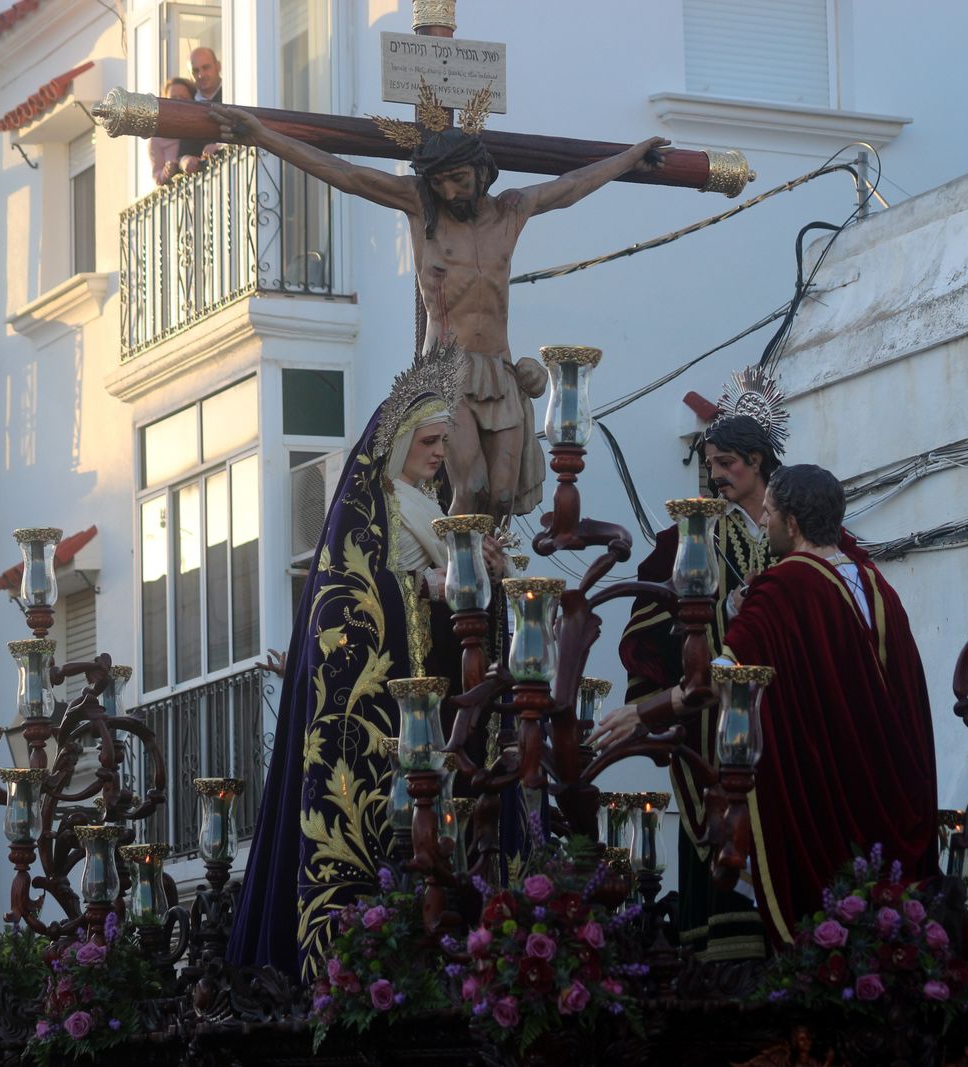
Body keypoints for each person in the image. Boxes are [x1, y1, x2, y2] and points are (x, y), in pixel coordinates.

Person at [206, 89, 668, 519]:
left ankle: (493, 587)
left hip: (500, 370)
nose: (450, 193)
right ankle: (456, 585)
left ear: (482, 171)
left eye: (459, 179)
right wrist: (264, 136)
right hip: (446, 370)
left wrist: (631, 157)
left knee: (503, 498)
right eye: (441, 182)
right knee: (471, 485)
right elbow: (346, 175)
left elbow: (572, 185)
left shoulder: (510, 211)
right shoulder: (420, 207)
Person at [226, 343, 503, 977]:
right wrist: (430, 588)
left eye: (442, 441)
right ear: (400, 436)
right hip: (390, 711)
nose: (439, 452)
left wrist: (481, 576)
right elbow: (339, 603)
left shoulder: (428, 508)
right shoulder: (371, 508)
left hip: (434, 703)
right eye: (429, 439)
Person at [594, 464, 938, 946]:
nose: (765, 523)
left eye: (770, 514)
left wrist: (644, 710)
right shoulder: (877, 586)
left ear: (791, 524)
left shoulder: (784, 588)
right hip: (889, 794)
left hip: (827, 798)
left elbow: (720, 679)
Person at [618, 370, 788, 962]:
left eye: (727, 463)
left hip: (787, 718)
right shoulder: (686, 539)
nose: (715, 475)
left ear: (759, 461)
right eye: (709, 463)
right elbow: (643, 633)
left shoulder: (798, 529)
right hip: (710, 729)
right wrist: (663, 697)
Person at [149, 77, 199, 185]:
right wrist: (167, 172)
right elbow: (157, 177)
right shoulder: (158, 137)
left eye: (183, 99)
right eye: (173, 98)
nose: (178, 103)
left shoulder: (199, 127)